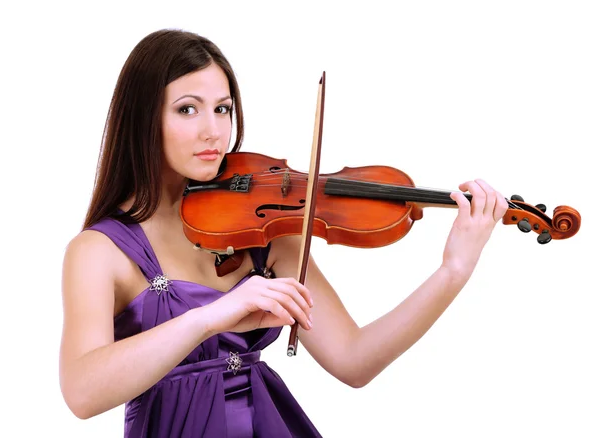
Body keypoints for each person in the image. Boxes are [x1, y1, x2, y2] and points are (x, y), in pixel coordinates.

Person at [58, 28, 509, 438]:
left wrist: (453, 271)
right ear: (142, 117)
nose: (213, 131)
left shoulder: (262, 228)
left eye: (223, 109)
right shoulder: (100, 251)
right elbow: (82, 393)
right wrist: (210, 316)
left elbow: (353, 360)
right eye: (187, 109)